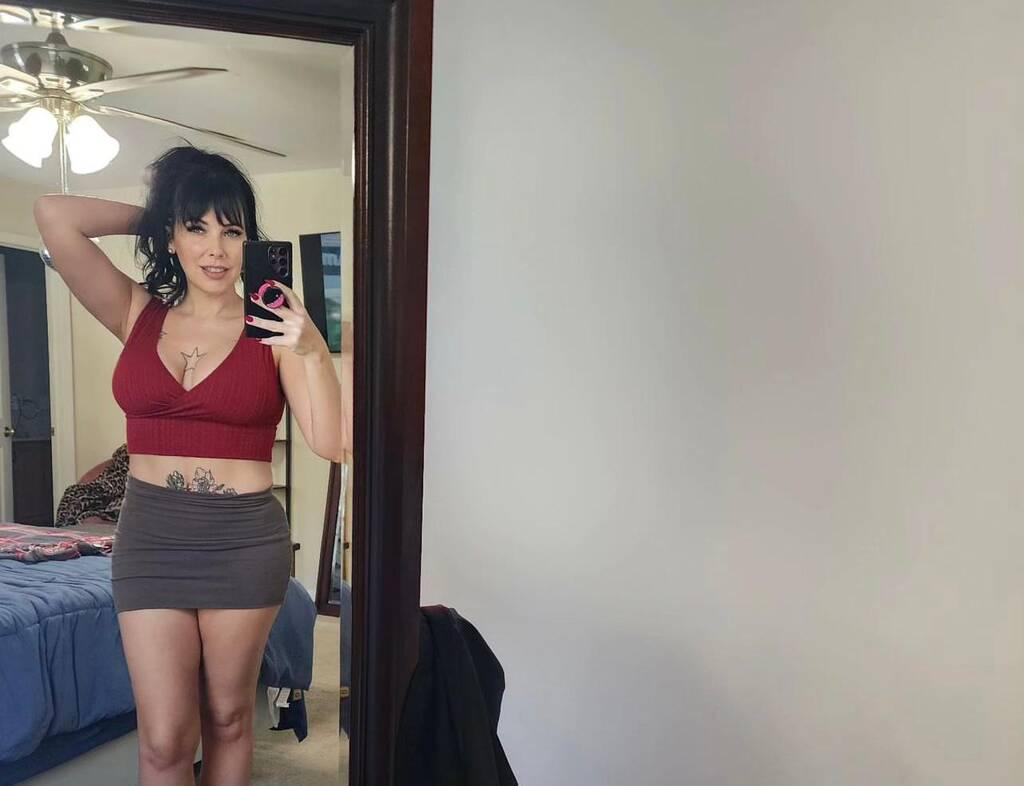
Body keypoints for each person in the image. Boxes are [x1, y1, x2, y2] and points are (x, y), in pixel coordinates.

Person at [34, 144, 346, 786]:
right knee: (163, 742)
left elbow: (331, 442)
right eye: (197, 228)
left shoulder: (272, 330)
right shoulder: (135, 312)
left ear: (248, 241)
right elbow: (53, 214)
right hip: (150, 538)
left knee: (228, 718)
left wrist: (313, 348)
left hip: (242, 541)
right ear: (171, 237)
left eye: (232, 231)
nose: (216, 249)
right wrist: (160, 214)